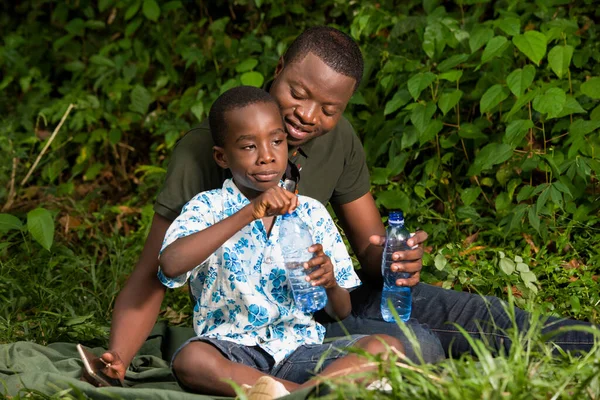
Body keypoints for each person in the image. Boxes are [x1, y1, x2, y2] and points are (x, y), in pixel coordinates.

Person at [100, 26, 596, 381]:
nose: (306, 116)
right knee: (419, 341)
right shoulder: (206, 148)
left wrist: (394, 258)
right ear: (277, 73)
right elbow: (155, 271)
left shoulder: (340, 144)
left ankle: (587, 344)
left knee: (457, 313)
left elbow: (367, 252)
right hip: (255, 321)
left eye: (329, 109)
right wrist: (118, 357)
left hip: (329, 299)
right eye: (297, 92)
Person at [158, 85, 404, 397]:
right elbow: (170, 263)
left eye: (277, 141)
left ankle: (287, 393)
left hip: (299, 351)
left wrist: (329, 283)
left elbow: (340, 311)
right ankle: (312, 393)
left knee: (385, 346)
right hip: (233, 351)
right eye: (249, 147)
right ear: (222, 157)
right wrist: (249, 212)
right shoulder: (208, 208)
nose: (267, 156)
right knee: (191, 359)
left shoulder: (311, 213)